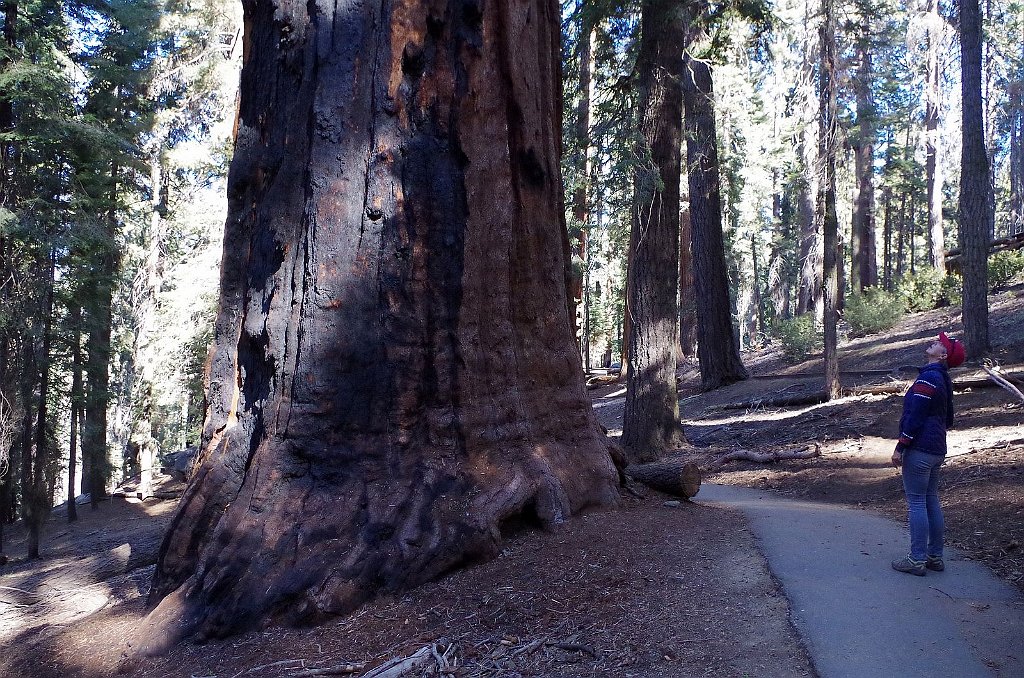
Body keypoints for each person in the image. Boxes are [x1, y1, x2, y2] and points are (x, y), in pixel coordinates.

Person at [891, 332, 966, 576]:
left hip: (920, 449)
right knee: (931, 500)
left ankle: (916, 560)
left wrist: (901, 446)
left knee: (916, 503)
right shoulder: (943, 379)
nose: (934, 341)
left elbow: (915, 417)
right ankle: (935, 556)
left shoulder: (929, 379)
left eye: (939, 343)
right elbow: (949, 419)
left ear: (942, 355)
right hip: (937, 449)